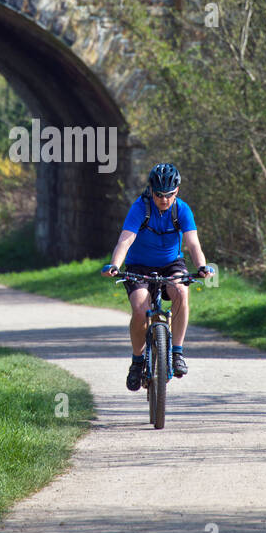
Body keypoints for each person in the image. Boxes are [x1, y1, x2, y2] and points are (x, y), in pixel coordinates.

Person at [100, 162, 215, 391]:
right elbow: (126, 239)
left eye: (169, 195)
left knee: (182, 291)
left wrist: (201, 266)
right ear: (151, 190)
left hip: (171, 264)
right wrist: (115, 264)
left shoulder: (181, 209)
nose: (164, 199)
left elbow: (192, 243)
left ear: (177, 192)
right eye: (159, 194)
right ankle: (137, 361)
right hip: (139, 266)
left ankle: (177, 352)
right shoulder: (140, 208)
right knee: (141, 309)